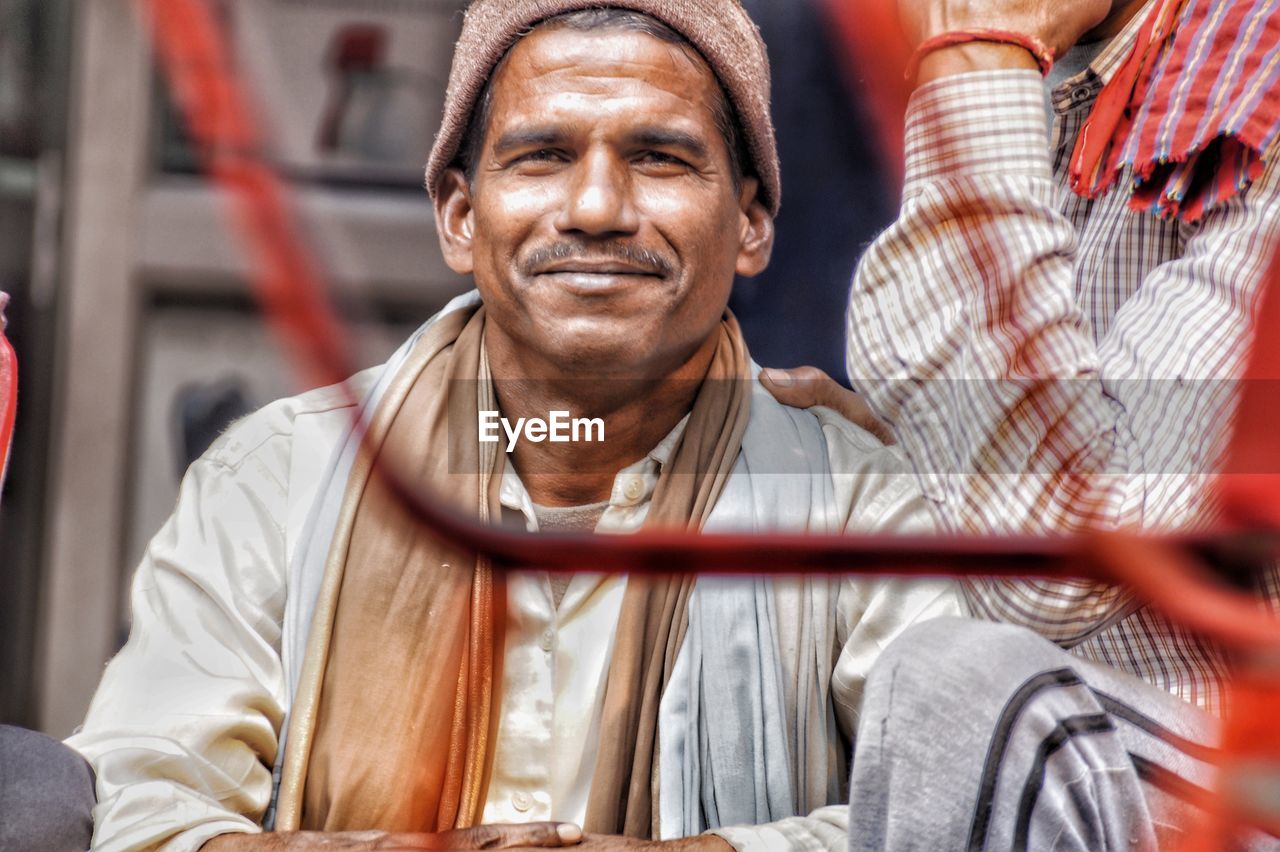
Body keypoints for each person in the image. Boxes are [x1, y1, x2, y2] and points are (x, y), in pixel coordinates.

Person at [65, 2, 957, 850]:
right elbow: (141, 810)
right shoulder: (276, 477)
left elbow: (959, 811)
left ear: (754, 224)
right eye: (541, 156)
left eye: (659, 158)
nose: (598, 208)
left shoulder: (858, 506)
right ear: (459, 216)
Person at [769, 0, 1280, 846]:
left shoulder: (1249, 92)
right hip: (1119, 763)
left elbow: (1062, 554)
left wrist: (978, 54)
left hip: (1243, 781)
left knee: (957, 687)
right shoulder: (1080, 88)